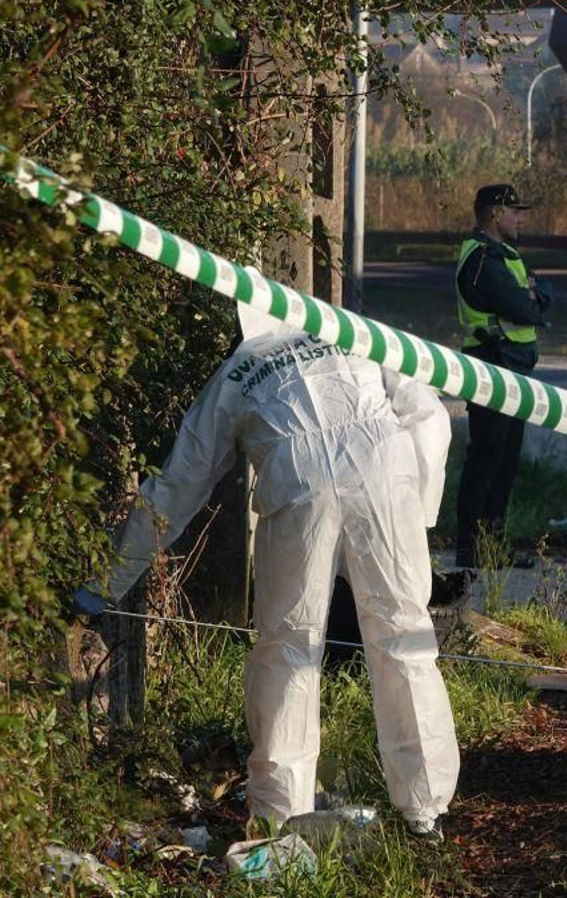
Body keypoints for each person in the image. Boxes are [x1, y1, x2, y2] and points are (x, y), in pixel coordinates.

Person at [81, 291, 459, 836]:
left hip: (295, 484)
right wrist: (419, 509)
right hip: (384, 470)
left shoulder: (238, 371)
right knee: (403, 636)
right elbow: (427, 415)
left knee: (288, 645)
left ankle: (281, 815)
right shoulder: (352, 331)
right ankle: (425, 812)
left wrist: (108, 580)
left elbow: (178, 484)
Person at [453, 183, 550, 584]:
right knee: (487, 457)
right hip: (492, 364)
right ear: (495, 214)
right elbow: (521, 306)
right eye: (514, 212)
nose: (520, 218)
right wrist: (530, 297)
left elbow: (539, 297)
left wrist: (533, 296)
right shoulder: (480, 259)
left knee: (506, 460)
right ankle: (470, 548)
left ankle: (494, 546)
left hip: (513, 367)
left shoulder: (504, 256)